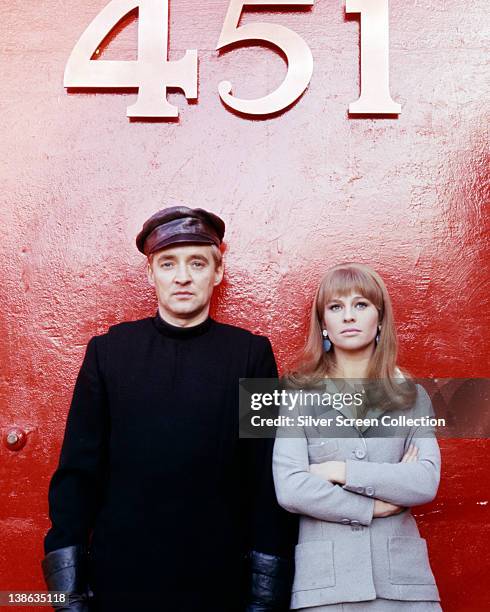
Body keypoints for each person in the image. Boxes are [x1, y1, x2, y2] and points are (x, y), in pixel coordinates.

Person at [42, 205, 297, 612]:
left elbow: (264, 477)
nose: (182, 276)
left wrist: (266, 595)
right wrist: (67, 594)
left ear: (217, 273)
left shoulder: (250, 354)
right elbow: (77, 474)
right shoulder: (108, 353)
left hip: (219, 583)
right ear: (151, 274)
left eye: (197, 263)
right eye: (168, 263)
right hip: (121, 580)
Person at [272, 262, 442, 611]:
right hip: (327, 588)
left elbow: (424, 481)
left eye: (361, 305)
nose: (348, 316)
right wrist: (373, 506)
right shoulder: (295, 394)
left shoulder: (412, 396)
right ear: (323, 323)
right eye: (336, 307)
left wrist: (338, 470)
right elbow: (290, 487)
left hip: (405, 587)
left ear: (380, 318)